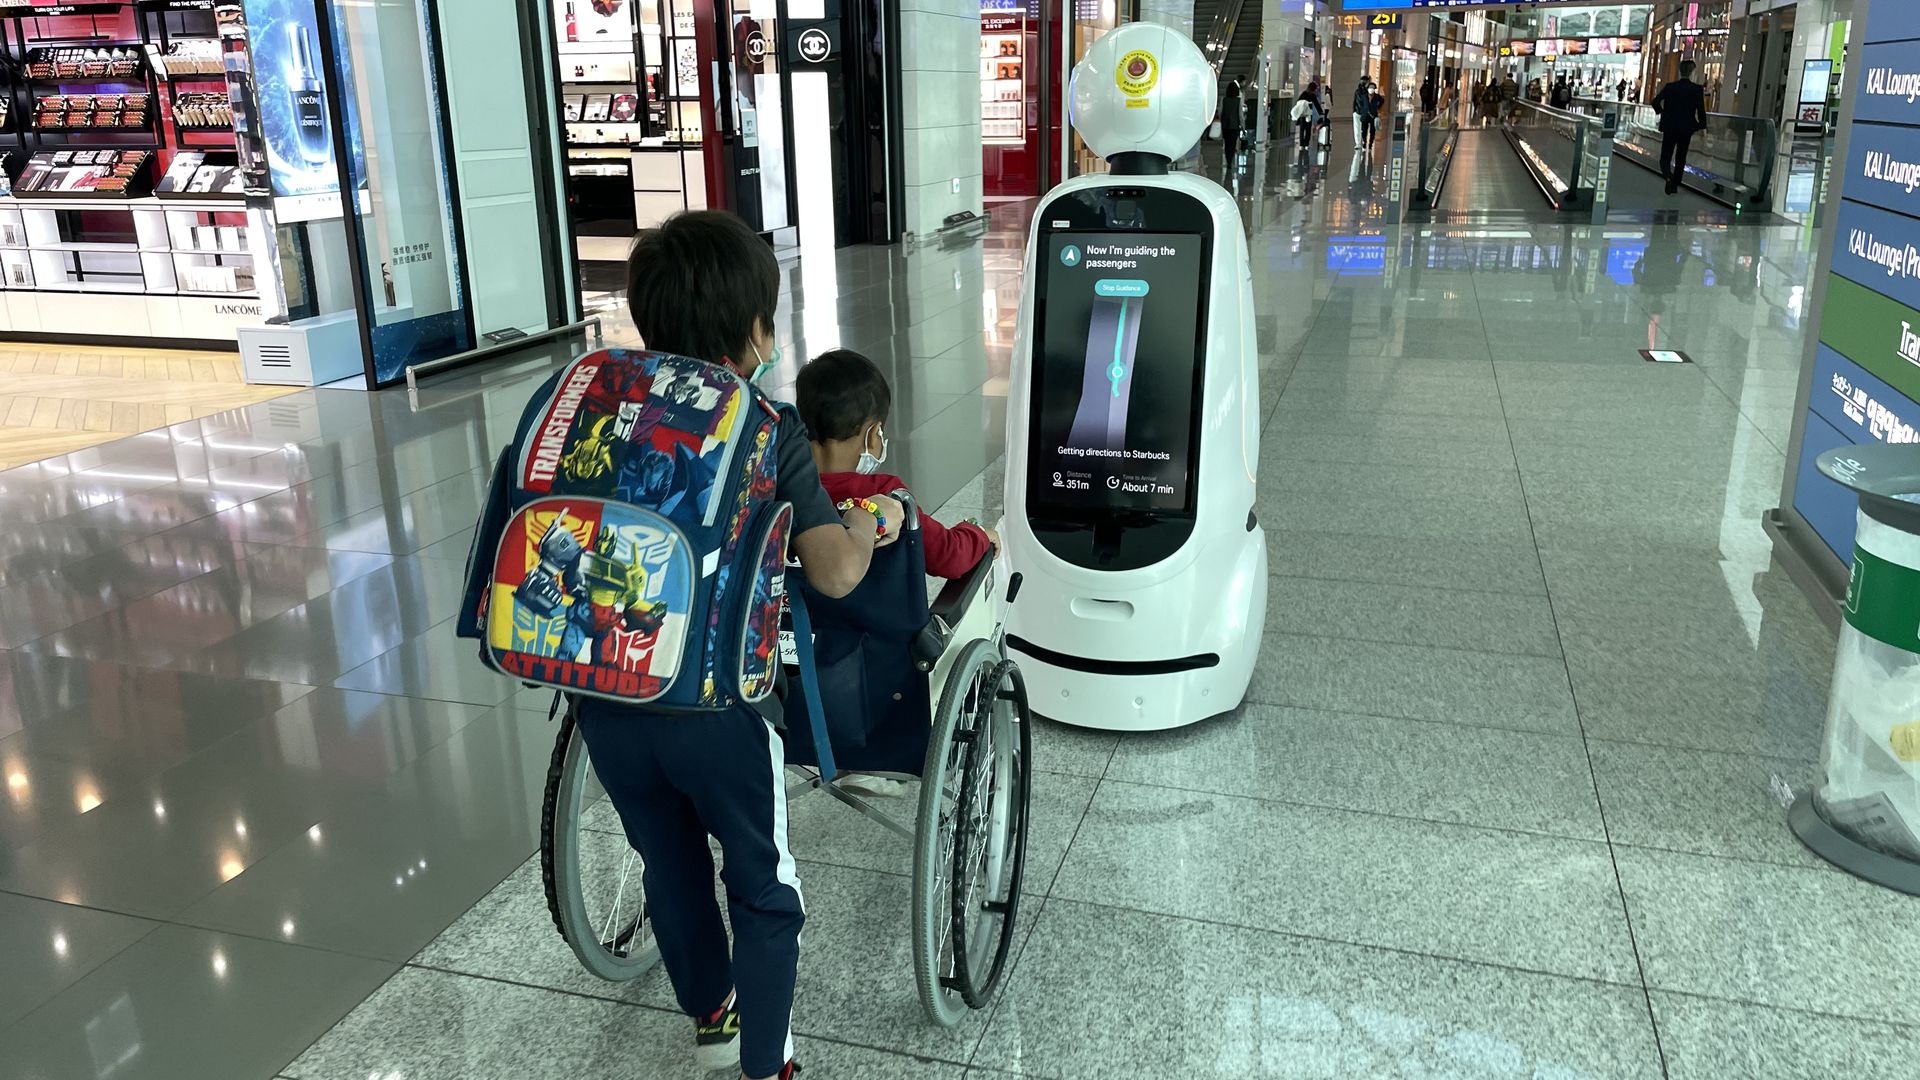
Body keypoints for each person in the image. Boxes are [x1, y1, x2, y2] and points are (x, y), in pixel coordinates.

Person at [576, 210, 904, 1080]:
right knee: (762, 882)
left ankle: (712, 1016)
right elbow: (833, 573)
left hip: (603, 693)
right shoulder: (765, 425)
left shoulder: (595, 403)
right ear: (754, 328)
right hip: (718, 708)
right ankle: (770, 1065)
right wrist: (870, 521)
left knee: (667, 858)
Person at [796, 348, 997, 582]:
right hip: (877, 617)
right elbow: (949, 556)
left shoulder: (782, 487)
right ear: (874, 435)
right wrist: (979, 534)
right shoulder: (885, 495)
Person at [1652, 59, 1709, 195]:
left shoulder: (1670, 87)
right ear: (1692, 72)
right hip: (1686, 128)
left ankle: (1668, 177)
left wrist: (1663, 112)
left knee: (1665, 156)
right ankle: (1675, 184)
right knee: (1681, 157)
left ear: (1680, 71)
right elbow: (1701, 110)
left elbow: (1655, 102)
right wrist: (1702, 126)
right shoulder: (1696, 89)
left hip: (1669, 126)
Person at [1220, 79, 1245, 161]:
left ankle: (1228, 159)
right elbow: (1240, 115)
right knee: (1233, 143)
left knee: (1227, 143)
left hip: (1225, 125)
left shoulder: (1223, 100)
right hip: (1235, 126)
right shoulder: (1238, 101)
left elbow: (1220, 112)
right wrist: (1243, 126)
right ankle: (1230, 159)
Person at [1291, 84, 1318, 150]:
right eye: (1314, 90)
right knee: (1302, 129)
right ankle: (1301, 144)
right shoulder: (1304, 94)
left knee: (1308, 130)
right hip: (1303, 115)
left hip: (1309, 114)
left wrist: (1320, 112)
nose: (1314, 91)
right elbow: (1298, 102)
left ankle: (1306, 144)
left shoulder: (1313, 95)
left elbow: (1316, 104)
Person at [1351, 78, 1372, 150]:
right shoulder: (1365, 92)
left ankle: (1359, 143)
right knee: (1363, 128)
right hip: (1362, 112)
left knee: (1358, 128)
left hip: (1358, 112)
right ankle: (1361, 143)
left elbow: (1355, 102)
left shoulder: (1358, 91)